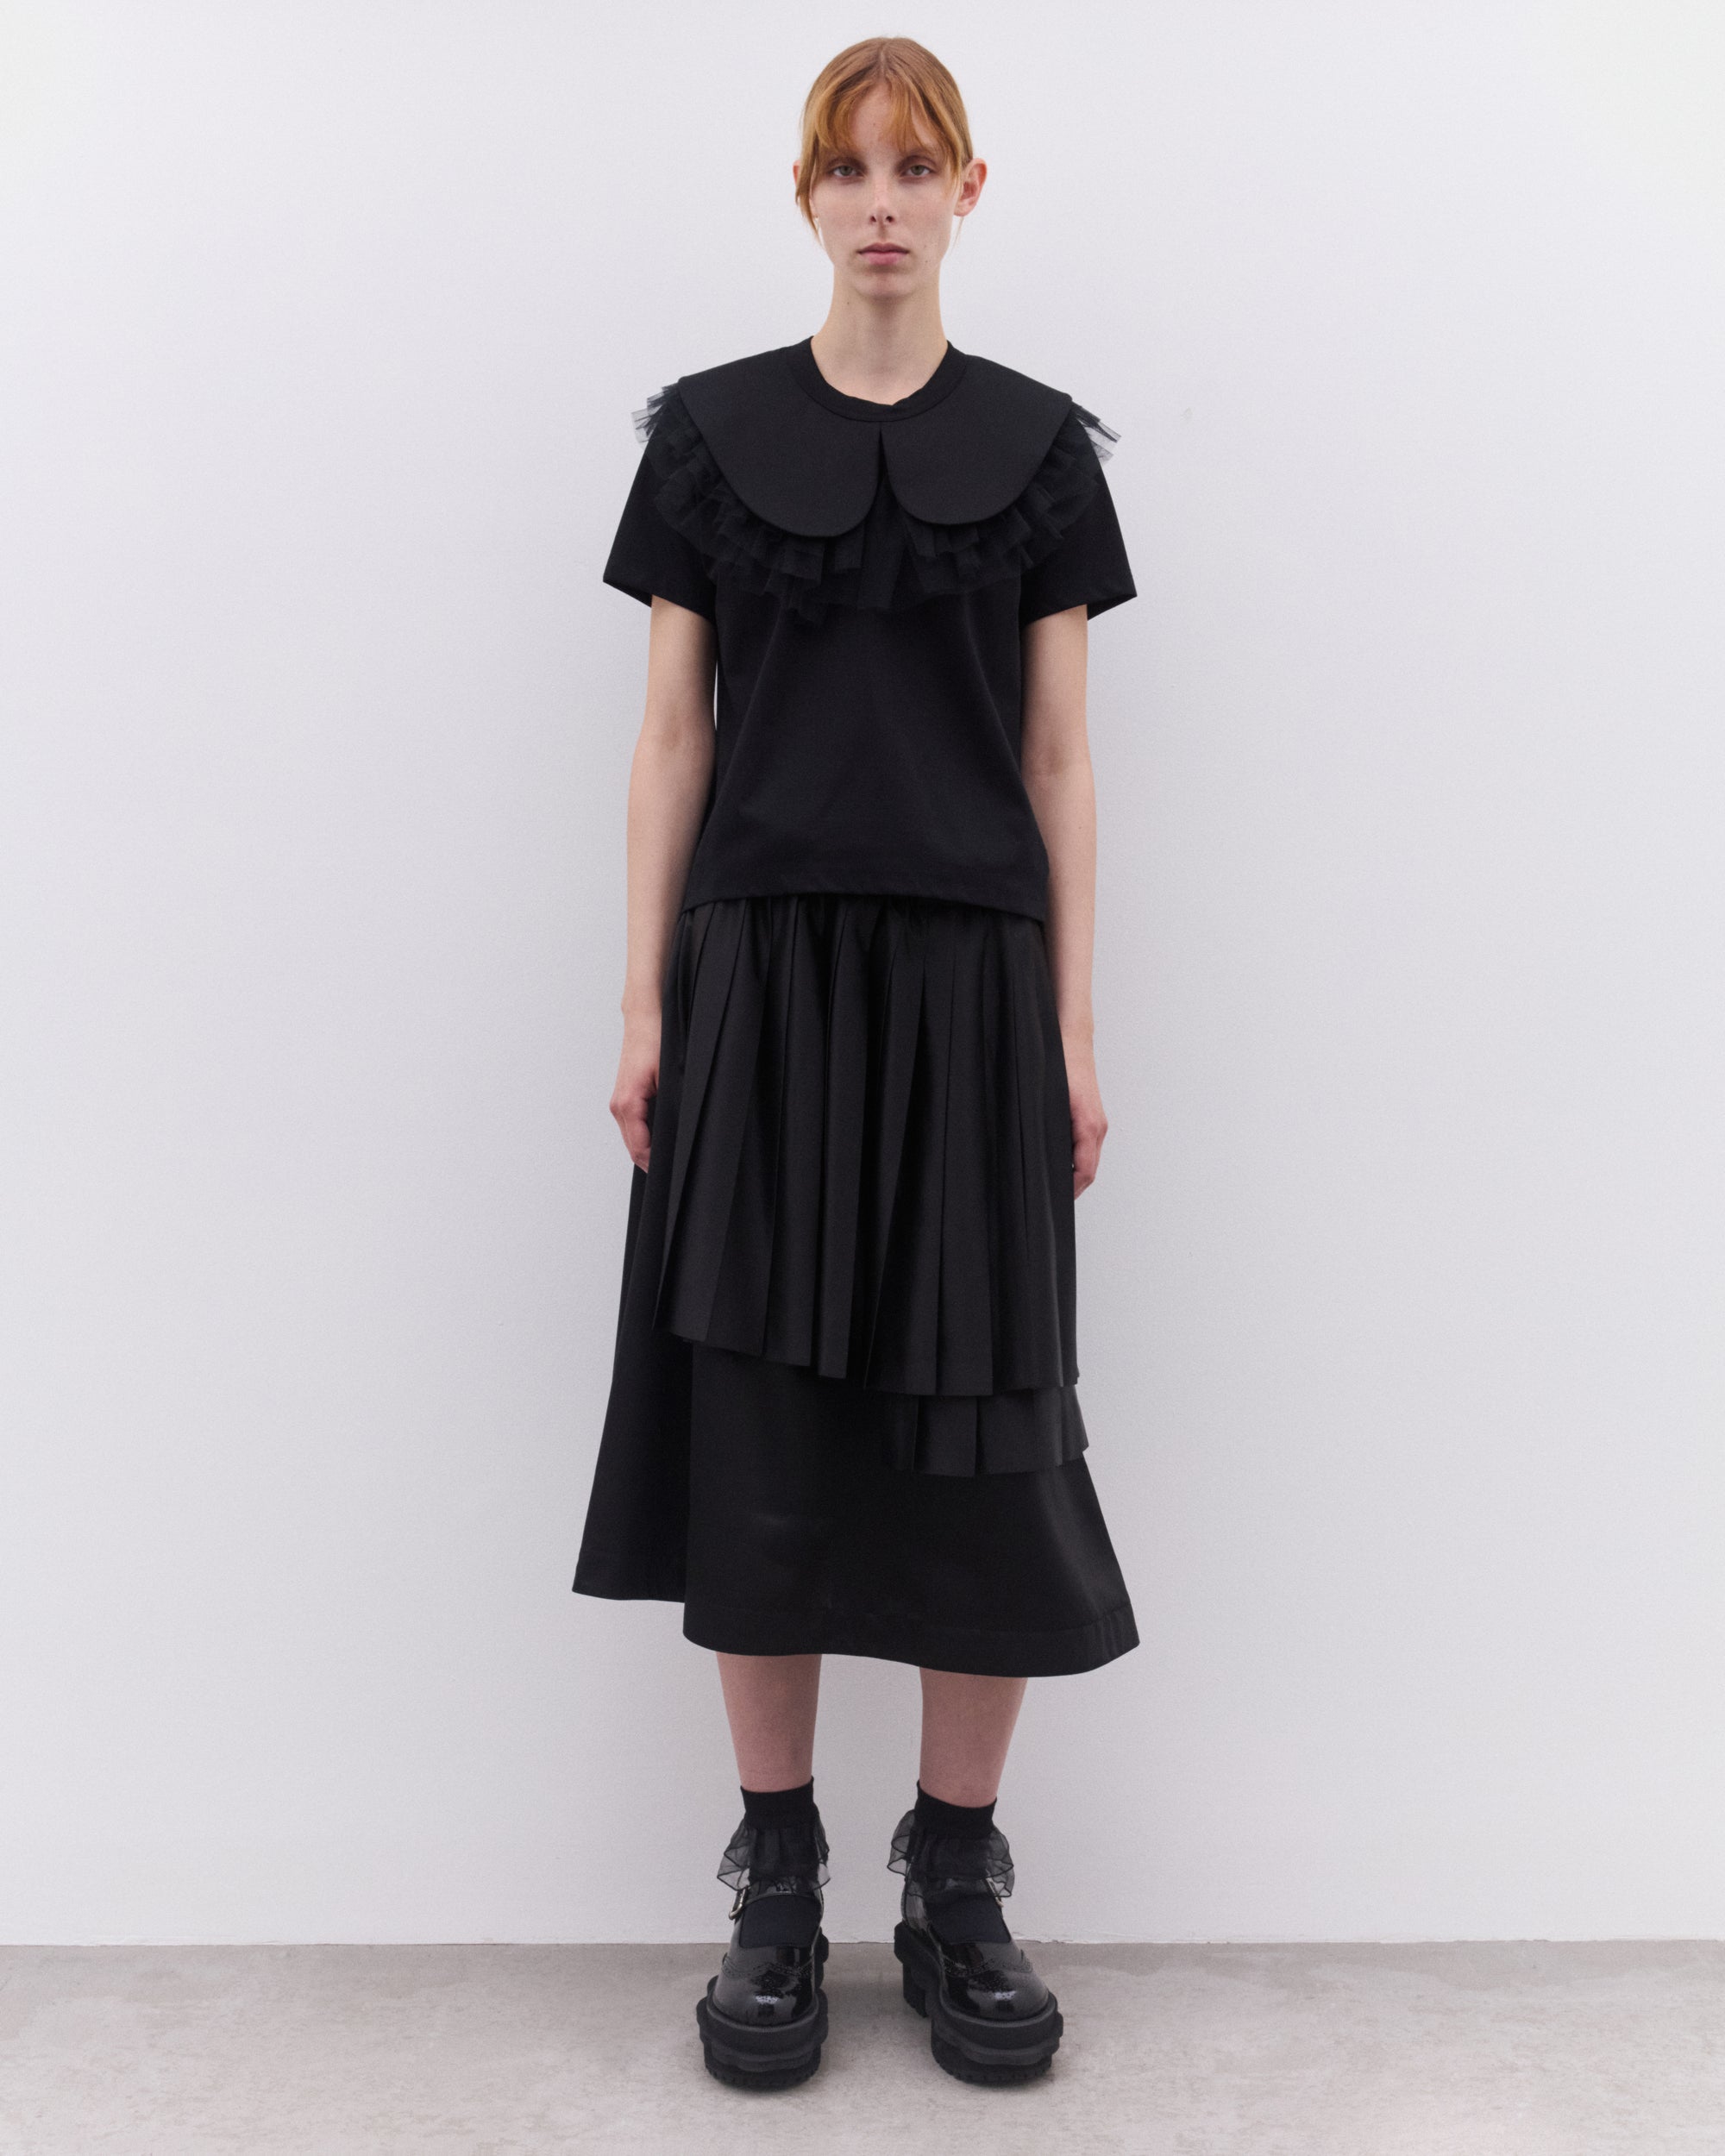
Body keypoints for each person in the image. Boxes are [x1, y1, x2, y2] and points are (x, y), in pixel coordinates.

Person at [574, 34, 1140, 2090]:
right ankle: (778, 1876)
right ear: (806, 195)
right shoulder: (709, 440)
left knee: (988, 1431)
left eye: (917, 168)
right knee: (763, 1426)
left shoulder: (1043, 451)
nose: (881, 203)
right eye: (850, 169)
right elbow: (672, 738)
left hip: (974, 986)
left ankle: (956, 1876)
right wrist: (644, 1005)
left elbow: (1060, 759)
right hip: (762, 977)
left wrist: (1072, 1026)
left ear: (967, 192)